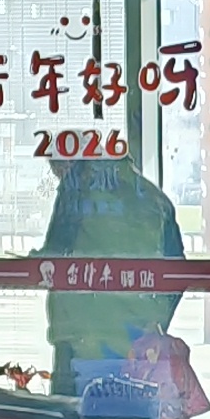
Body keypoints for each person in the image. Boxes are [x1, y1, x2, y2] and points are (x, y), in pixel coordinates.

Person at [38, 144, 185, 395]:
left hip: (80, 337)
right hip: (138, 341)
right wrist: (156, 323)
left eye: (58, 167)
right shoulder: (156, 199)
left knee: (75, 415)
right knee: (130, 413)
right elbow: (177, 274)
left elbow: (54, 254)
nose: (58, 174)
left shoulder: (78, 193)